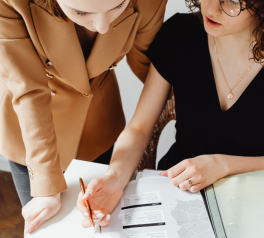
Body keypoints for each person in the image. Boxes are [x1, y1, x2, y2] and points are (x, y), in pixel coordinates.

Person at [77, 0, 264, 229]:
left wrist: (223, 165)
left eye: (232, 1)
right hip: (174, 188)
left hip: (251, 199)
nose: (211, 8)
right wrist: (114, 179)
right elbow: (139, 128)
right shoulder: (180, 33)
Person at [0, 0, 167, 235]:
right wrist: (46, 186)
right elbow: (28, 89)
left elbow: (151, 68)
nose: (102, 26)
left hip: (98, 124)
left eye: (117, 6)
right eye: (81, 12)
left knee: (99, 225)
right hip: (30, 133)